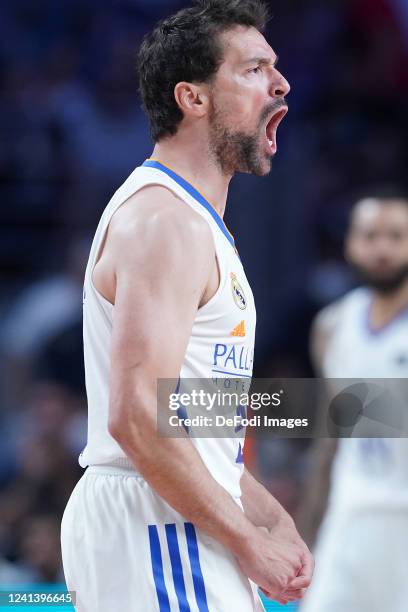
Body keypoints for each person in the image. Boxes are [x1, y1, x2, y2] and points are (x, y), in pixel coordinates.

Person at [61, 1, 313, 610]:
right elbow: (138, 421)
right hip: (157, 526)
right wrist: (247, 540)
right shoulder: (164, 222)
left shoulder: (190, 221)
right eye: (254, 69)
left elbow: (191, 426)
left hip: (170, 517)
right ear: (192, 99)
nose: (280, 84)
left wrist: (267, 515)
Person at [299, 195, 408, 612]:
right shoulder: (332, 326)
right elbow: (329, 441)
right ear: (350, 244)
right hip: (349, 520)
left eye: (396, 236)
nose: (382, 248)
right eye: (370, 236)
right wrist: (306, 531)